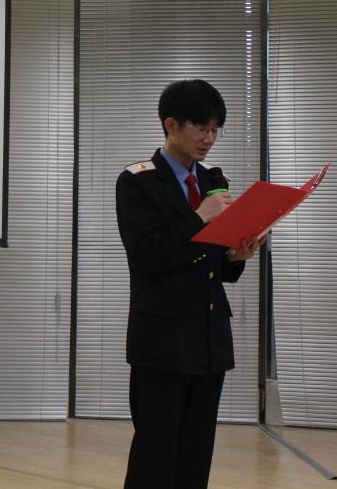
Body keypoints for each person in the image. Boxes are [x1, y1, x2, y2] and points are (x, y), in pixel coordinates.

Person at [116, 79, 262, 489]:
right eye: (201, 128)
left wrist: (236, 256)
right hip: (162, 340)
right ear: (171, 125)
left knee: (196, 456)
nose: (209, 139)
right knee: (155, 455)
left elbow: (214, 265)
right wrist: (199, 217)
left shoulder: (213, 180)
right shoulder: (137, 182)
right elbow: (148, 256)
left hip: (209, 340)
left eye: (215, 129)